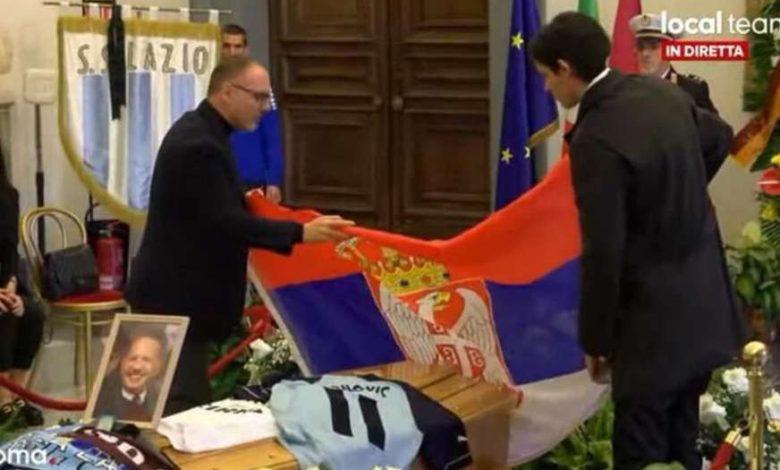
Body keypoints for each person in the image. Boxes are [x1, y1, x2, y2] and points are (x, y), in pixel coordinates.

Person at [529, 12, 746, 469]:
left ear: (566, 68)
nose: (548, 88)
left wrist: (595, 340)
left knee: (642, 454)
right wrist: (682, 191)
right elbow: (719, 137)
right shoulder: (662, 93)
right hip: (704, 308)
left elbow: (604, 250)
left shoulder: (595, 137)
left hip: (650, 333)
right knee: (682, 445)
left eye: (547, 76)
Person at [124, 56, 353, 416]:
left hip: (181, 301)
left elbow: (212, 207)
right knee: (177, 414)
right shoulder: (198, 145)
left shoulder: (205, 133)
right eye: (258, 97)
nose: (265, 107)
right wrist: (300, 232)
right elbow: (226, 223)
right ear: (228, 92)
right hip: (174, 304)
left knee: (179, 409)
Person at [0, 148, 45, 428]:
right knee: (4, 315)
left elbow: (10, 252)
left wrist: (11, 286)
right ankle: (2, 401)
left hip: (4, 282)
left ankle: (17, 397)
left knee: (32, 313)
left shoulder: (8, 196)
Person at [222, 23, 284, 201]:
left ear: (246, 49)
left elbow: (272, 134)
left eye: (237, 46)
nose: (232, 52)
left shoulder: (259, 84)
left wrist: (273, 179)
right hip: (220, 175)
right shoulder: (211, 83)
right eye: (227, 46)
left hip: (252, 179)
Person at [629, 13, 718, 113]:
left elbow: (712, 123)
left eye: (653, 47)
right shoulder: (628, 90)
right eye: (640, 47)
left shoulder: (691, 90)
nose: (645, 54)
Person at [92, 329, 165, 422]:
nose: (136, 367)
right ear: (121, 362)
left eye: (146, 360)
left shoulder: (160, 401)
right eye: (132, 358)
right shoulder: (102, 399)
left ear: (158, 367)